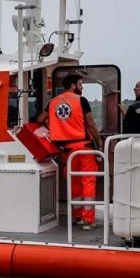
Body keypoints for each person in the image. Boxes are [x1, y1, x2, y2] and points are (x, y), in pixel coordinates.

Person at [35, 73, 102, 229]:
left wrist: (53, 128)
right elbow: (91, 124)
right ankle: (88, 220)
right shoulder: (81, 100)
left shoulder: (53, 102)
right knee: (88, 182)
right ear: (73, 86)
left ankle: (77, 216)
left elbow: (40, 119)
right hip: (84, 148)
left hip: (66, 150)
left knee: (74, 182)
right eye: (80, 84)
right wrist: (99, 144)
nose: (82, 87)